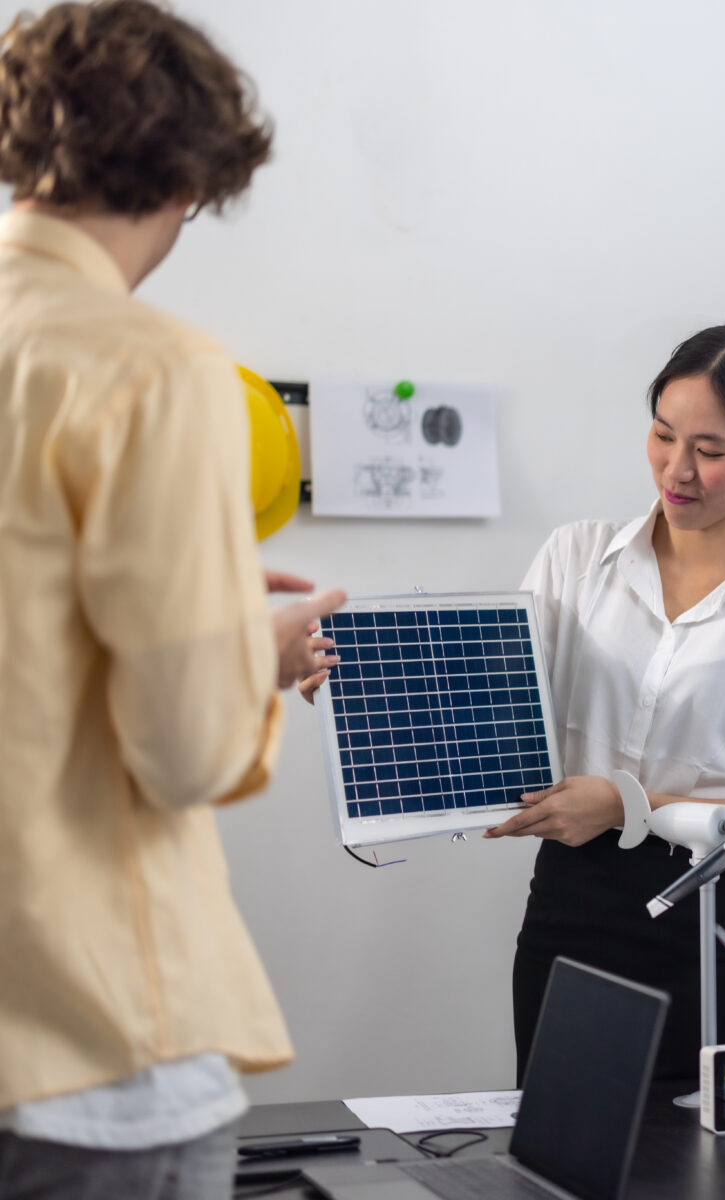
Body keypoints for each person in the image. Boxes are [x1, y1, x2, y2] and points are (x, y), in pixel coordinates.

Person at [303, 324, 725, 1081]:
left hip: (710, 929)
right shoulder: (575, 557)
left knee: (703, 1174)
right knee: (558, 1161)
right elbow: (496, 708)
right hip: (568, 910)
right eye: (663, 435)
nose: (678, 469)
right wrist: (364, 677)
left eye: (712, 450)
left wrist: (631, 805)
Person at [0, 3, 345, 1197]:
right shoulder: (153, 368)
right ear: (193, 176)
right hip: (91, 1048)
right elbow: (185, 749)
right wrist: (254, 644)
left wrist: (184, 594)